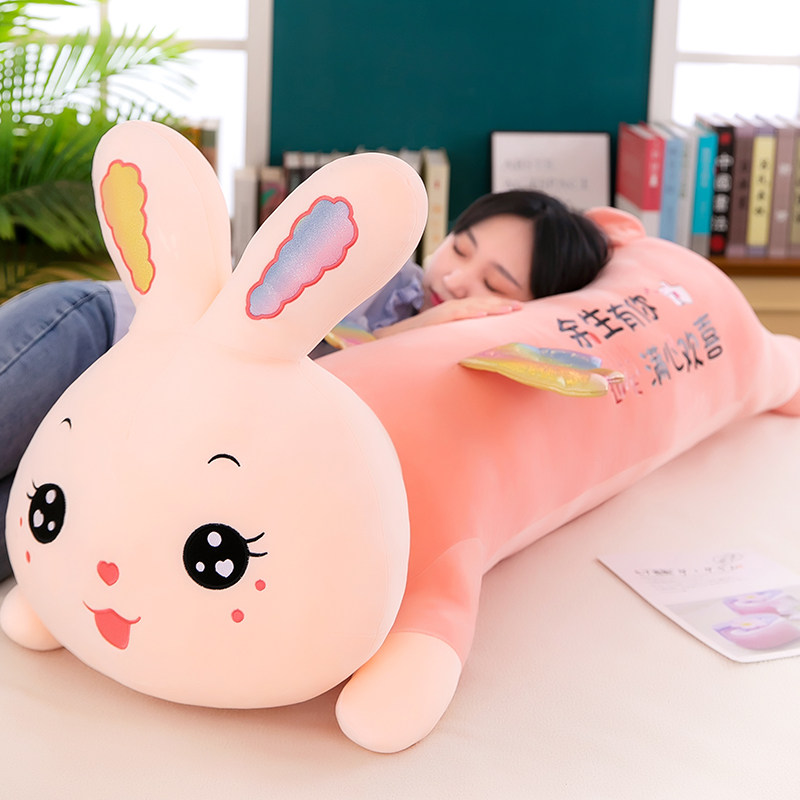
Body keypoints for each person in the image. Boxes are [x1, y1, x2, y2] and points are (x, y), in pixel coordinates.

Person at [0, 189, 611, 579]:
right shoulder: (381, 275)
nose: (455, 279)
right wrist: (414, 330)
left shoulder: (463, 377)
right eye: (461, 249)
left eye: (493, 284)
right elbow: (288, 360)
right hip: (99, 333)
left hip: (121, 432)